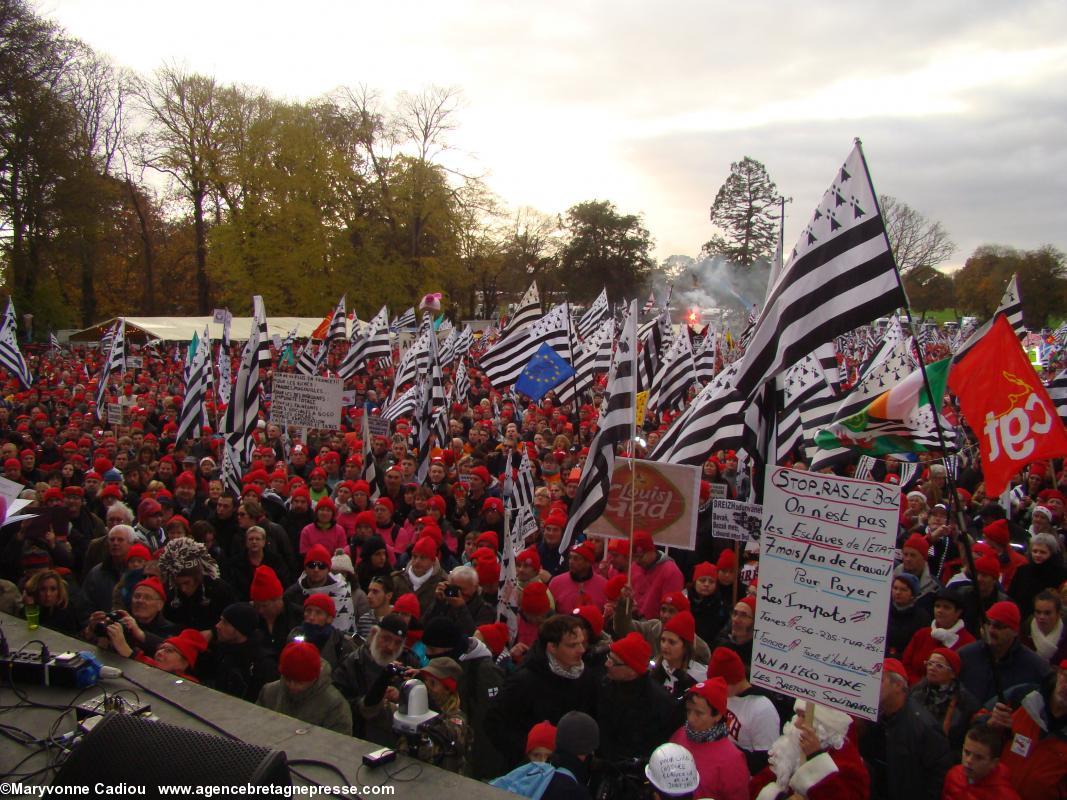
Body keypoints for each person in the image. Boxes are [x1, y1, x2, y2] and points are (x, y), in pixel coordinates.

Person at [486, 614, 599, 769]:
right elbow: (494, 722)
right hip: (530, 771)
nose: (581, 650)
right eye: (572, 645)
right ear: (552, 647)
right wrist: (528, 754)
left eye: (582, 643)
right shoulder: (525, 680)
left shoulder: (587, 677)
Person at [859, 658, 952, 800]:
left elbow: (937, 775)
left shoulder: (923, 726)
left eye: (880, 680)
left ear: (898, 685)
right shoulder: (872, 717)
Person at [751, 699, 870, 800]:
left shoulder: (846, 760)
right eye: (797, 715)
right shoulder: (791, 747)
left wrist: (815, 758)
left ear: (825, 724)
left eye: (804, 716)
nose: (797, 723)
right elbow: (756, 785)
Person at [596, 631, 681, 763]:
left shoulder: (660, 702)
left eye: (613, 661)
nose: (607, 664)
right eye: (609, 657)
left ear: (632, 670)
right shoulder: (605, 685)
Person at [332, 614, 418, 743]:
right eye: (386, 639)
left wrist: (402, 696)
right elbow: (338, 703)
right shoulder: (352, 664)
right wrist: (372, 700)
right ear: (374, 635)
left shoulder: (409, 662)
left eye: (397, 643)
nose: (391, 647)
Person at [989, 658, 1067, 798]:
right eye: (1066, 677)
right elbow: (977, 722)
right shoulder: (1023, 696)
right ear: (1059, 673)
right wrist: (991, 724)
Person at [666, 678, 748, 800]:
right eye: (689, 710)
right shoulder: (679, 734)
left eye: (699, 713)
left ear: (718, 715)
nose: (691, 719)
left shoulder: (732, 760)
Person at [957, 600, 1051, 705]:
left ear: (1015, 631)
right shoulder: (965, 655)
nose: (990, 630)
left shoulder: (1036, 667)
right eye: (987, 623)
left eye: (998, 626)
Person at [706, 646, 779, 774]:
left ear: (732, 681)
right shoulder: (727, 695)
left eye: (720, 685)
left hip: (743, 777)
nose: (717, 690)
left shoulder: (762, 709)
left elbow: (765, 763)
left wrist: (725, 747)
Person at [257, 641, 352, 735]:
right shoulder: (269, 693)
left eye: (300, 682)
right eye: (288, 679)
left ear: (314, 678)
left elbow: (338, 745)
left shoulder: (335, 706)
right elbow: (256, 728)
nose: (292, 686)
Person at [197, 602, 279, 701]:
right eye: (220, 620)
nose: (217, 626)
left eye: (225, 623)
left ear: (239, 629)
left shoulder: (263, 664)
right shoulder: (223, 651)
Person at [907, 647, 980, 756]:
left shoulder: (965, 702)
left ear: (953, 674)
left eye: (939, 666)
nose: (932, 668)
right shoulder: (916, 691)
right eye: (930, 663)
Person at [902, 587, 975, 684]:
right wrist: (918, 687)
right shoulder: (922, 634)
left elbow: (967, 677)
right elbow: (906, 664)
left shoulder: (968, 643)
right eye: (937, 606)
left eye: (946, 607)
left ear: (958, 612)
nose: (940, 610)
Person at [282, 545, 358, 637]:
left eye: (321, 566)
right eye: (312, 565)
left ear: (328, 569)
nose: (316, 570)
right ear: (305, 568)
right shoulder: (293, 593)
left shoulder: (341, 590)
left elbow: (346, 626)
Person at [940, 724, 1018, 799]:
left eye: (979, 757)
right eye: (967, 752)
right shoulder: (953, 774)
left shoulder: (1005, 796)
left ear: (994, 763)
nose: (969, 760)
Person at [288, 593, 356, 670]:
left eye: (318, 613)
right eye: (308, 611)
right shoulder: (294, 635)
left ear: (329, 619)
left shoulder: (340, 643)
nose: (311, 617)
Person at [629, 530, 684, 620]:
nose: (637, 561)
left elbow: (672, 609)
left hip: (655, 628)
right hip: (634, 623)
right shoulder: (634, 567)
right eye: (634, 557)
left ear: (651, 550)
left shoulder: (671, 572)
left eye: (641, 556)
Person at [548, 541, 607, 612]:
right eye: (570, 557)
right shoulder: (556, 583)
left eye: (576, 559)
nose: (571, 562)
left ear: (588, 563)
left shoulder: (604, 585)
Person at [887, 573, 932, 659]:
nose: (898, 592)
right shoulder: (884, 610)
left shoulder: (922, 617)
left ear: (912, 594)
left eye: (903, 590)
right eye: (895, 588)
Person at [20, 569, 79, 634]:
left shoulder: (66, 610)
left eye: (53, 589)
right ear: (36, 590)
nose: (48, 594)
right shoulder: (30, 605)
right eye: (43, 589)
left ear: (59, 591)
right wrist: (30, 607)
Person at [1022, 589, 1067, 664]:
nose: (1041, 617)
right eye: (1038, 612)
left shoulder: (1065, 636)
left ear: (1058, 614)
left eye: (1047, 613)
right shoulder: (1025, 631)